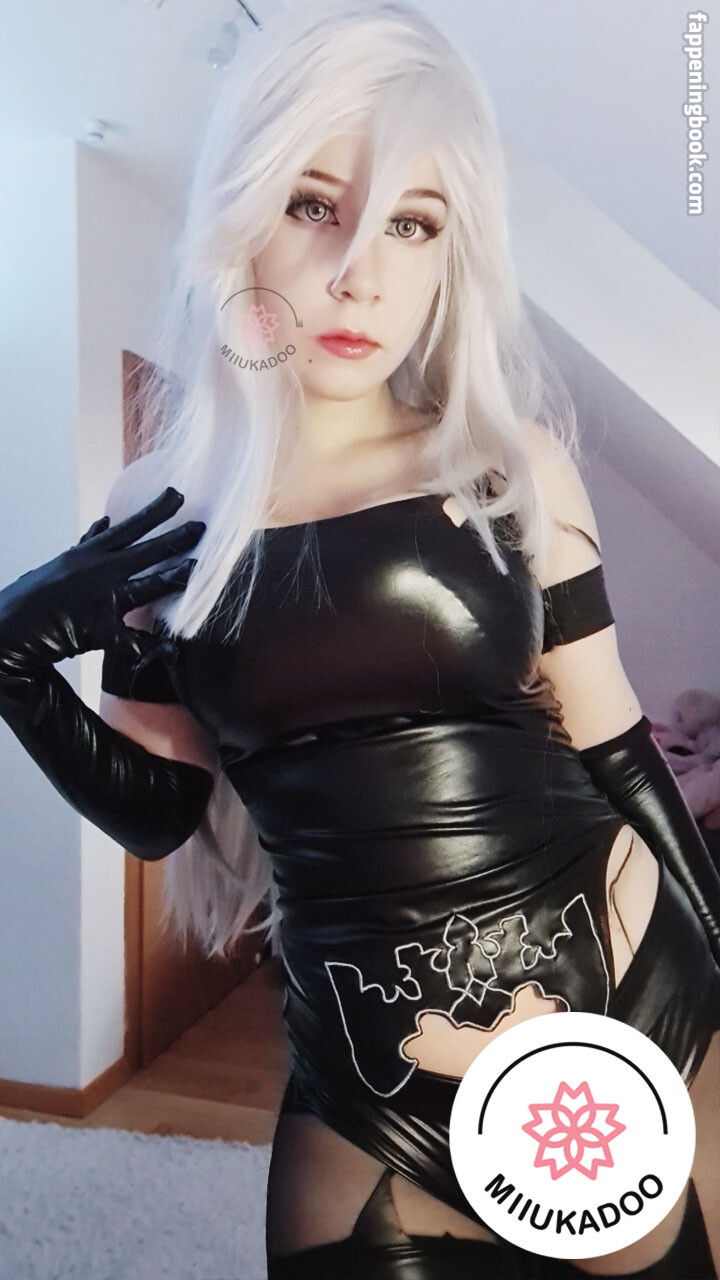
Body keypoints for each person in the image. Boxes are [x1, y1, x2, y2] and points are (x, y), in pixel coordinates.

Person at [0, 2, 718, 1277]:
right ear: (239, 213)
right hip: (368, 1083)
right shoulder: (162, 504)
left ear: (451, 254)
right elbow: (163, 813)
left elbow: (616, 745)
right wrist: (9, 660)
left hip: (616, 1004)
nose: (360, 275)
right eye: (313, 205)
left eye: (412, 223)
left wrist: (712, 950)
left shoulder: (508, 468)